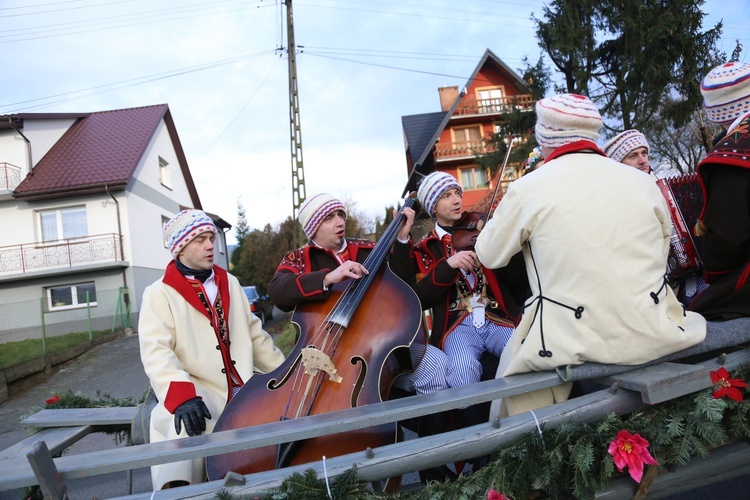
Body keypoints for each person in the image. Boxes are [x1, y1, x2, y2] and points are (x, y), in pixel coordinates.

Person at [475, 93, 707, 418]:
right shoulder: (642, 183)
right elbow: (662, 248)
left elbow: (489, 254)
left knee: (509, 392)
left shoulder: (529, 188)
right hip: (650, 326)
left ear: (547, 140)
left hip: (570, 337)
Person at [138, 209, 285, 490]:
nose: (210, 246)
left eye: (212, 238)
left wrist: (285, 374)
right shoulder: (159, 293)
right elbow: (156, 351)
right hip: (198, 390)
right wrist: (182, 397)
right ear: (180, 248)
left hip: (244, 387)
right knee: (180, 423)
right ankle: (178, 493)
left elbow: (256, 336)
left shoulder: (229, 282)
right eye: (201, 240)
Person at [390, 173, 529, 406]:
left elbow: (513, 275)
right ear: (433, 207)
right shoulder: (426, 248)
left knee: (524, 353)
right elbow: (416, 297)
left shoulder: (481, 229)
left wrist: (503, 238)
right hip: (458, 325)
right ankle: (475, 433)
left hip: (496, 317)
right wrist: (447, 265)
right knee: (462, 372)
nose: (456, 200)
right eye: (446, 196)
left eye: (457, 193)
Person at [603, 129, 707, 304]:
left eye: (644, 153)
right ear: (618, 163)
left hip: (688, 277)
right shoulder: (613, 200)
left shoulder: (662, 188)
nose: (643, 160)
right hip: (650, 289)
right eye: (633, 155)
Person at [686, 61, 750, 319]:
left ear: (716, 112)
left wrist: (707, 262)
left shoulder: (731, 155)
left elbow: (727, 239)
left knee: (695, 312)